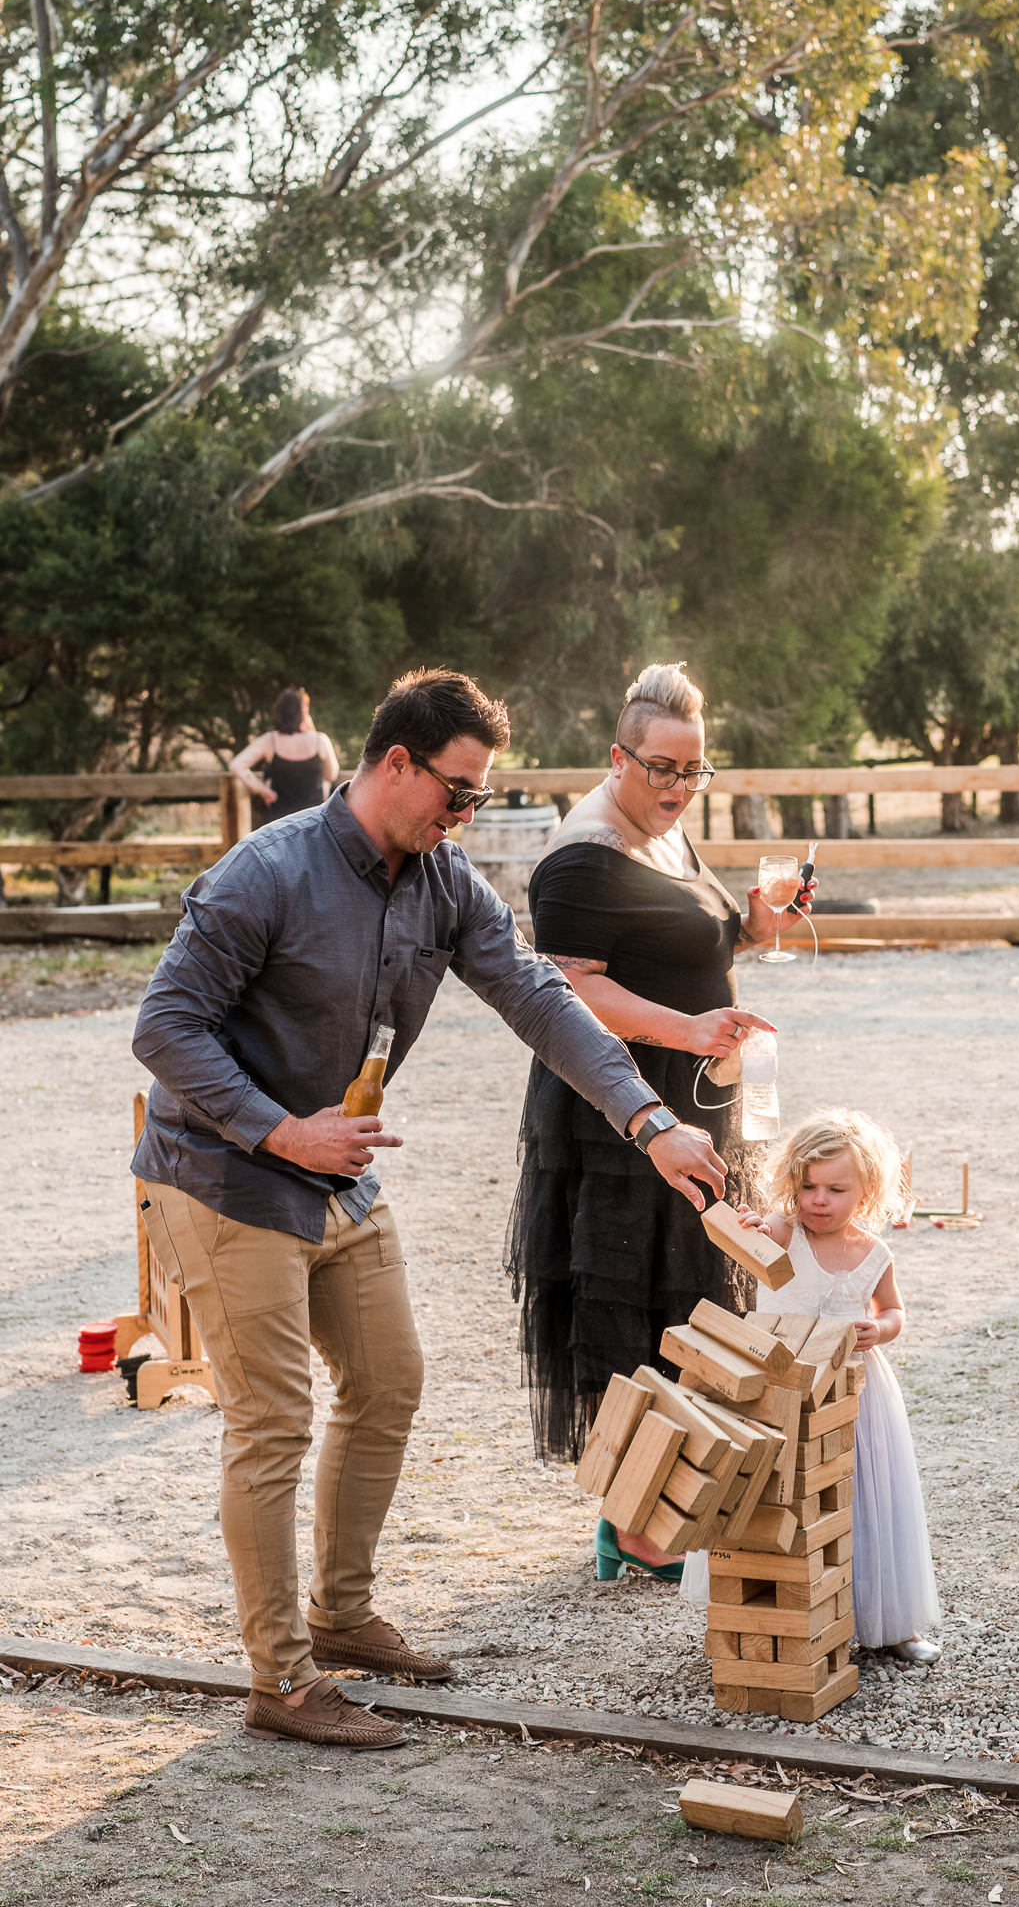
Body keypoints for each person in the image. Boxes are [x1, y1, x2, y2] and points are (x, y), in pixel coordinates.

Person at [131, 667, 726, 1751]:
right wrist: (281, 1128)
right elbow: (164, 1028)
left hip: (338, 1168)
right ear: (394, 762)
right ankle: (279, 1678)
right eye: (456, 791)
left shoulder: (440, 877)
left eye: (480, 798)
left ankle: (343, 1612)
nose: (465, 815)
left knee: (389, 1381)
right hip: (224, 1168)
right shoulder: (265, 872)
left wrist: (650, 1120)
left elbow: (542, 997)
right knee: (272, 1420)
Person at [504, 661, 812, 1583]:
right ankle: (632, 1524)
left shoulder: (665, 832)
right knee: (630, 1308)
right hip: (618, 1107)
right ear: (617, 757)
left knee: (698, 1299)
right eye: (663, 770)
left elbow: (696, 939)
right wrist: (686, 1027)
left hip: (702, 1086)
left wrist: (755, 922)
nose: (680, 789)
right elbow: (570, 991)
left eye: (695, 771)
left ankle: (676, 1495)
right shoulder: (581, 852)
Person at [726, 1108, 941, 1664]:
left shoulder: (873, 1254)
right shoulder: (781, 1232)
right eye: (808, 1186)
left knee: (865, 1496)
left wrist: (882, 1329)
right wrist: (747, 1226)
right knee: (782, 1494)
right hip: (784, 1385)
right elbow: (743, 1239)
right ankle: (775, 1607)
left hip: (855, 1393)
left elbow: (893, 1310)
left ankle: (887, 1617)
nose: (818, 1200)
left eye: (835, 1189)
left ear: (866, 1192)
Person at [229, 687, 341, 819]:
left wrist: (263, 790)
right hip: (313, 821)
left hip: (279, 823)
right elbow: (332, 774)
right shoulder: (320, 740)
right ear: (303, 712)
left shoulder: (270, 741)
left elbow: (236, 765)